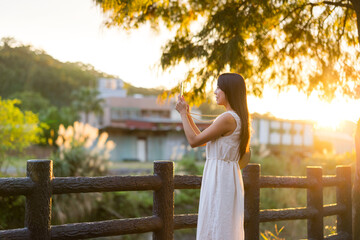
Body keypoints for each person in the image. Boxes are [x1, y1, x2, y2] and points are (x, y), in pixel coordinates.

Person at [175, 73, 251, 240]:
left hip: (220, 178)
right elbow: (202, 140)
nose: (215, 92)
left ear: (228, 91)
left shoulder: (228, 118)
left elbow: (194, 141)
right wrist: (187, 114)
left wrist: (181, 114)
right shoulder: (235, 117)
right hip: (224, 176)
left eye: (218, 88)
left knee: (217, 224)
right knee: (220, 225)